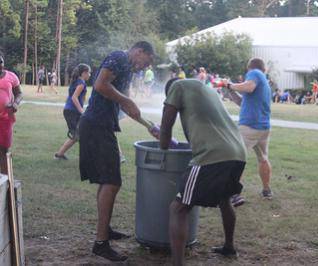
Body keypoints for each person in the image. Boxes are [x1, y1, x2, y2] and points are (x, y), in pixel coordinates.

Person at [79, 41, 155, 261]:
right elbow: (101, 84)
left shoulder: (126, 69)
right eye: (146, 62)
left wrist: (149, 125)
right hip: (96, 125)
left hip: (101, 126)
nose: (144, 67)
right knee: (112, 182)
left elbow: (126, 106)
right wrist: (125, 98)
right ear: (139, 51)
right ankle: (101, 243)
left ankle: (106, 230)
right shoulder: (119, 57)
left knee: (107, 181)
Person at [160, 78, 246, 266]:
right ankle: (229, 247)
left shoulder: (177, 86)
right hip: (238, 152)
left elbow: (166, 124)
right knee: (225, 199)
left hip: (213, 155)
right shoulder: (206, 90)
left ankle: (177, 264)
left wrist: (163, 146)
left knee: (178, 208)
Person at [224, 58, 273, 206]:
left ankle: (234, 194)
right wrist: (229, 91)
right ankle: (266, 190)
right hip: (263, 127)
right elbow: (242, 102)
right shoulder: (264, 83)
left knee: (236, 158)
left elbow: (249, 87)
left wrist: (229, 84)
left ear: (250, 68)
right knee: (263, 158)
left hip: (250, 126)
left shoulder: (255, 73)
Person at [54, 64, 91, 160]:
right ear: (84, 73)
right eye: (89, 72)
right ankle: (59, 155)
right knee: (78, 135)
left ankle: (59, 154)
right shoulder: (81, 83)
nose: (90, 75)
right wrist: (82, 111)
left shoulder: (76, 81)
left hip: (70, 111)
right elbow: (74, 98)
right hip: (72, 112)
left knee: (80, 134)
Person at [0, 52, 23, 174]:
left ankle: (5, 181)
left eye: (1, 61)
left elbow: (19, 93)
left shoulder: (11, 76)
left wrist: (15, 104)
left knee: (4, 149)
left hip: (6, 118)